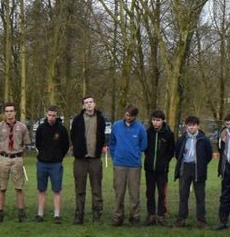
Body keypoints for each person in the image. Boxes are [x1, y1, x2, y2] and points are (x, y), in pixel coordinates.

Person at [69, 96, 109, 224]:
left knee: (96, 189)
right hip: (80, 159)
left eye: (91, 102)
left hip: (95, 159)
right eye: (86, 103)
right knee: (80, 190)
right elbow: (73, 136)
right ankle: (79, 216)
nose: (89, 104)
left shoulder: (101, 119)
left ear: (94, 103)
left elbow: (103, 136)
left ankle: (97, 217)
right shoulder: (77, 120)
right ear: (83, 106)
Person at [108, 106, 148, 227]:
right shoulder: (116, 126)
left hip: (134, 166)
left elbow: (144, 145)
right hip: (119, 164)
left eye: (130, 116)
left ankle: (135, 217)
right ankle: (117, 217)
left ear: (135, 116)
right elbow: (112, 142)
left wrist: (135, 153)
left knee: (134, 193)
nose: (127, 117)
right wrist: (115, 156)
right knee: (119, 192)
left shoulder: (140, 128)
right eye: (126, 114)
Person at [174, 115, 212, 228]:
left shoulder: (204, 139)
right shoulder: (182, 139)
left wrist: (201, 164)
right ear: (186, 126)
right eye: (189, 125)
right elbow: (177, 154)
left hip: (198, 169)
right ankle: (181, 219)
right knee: (183, 195)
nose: (191, 127)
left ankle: (201, 220)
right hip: (185, 168)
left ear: (198, 126)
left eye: (193, 125)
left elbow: (208, 155)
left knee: (200, 196)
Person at [34, 106, 69, 224]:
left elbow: (65, 146)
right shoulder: (41, 128)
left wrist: (58, 156)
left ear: (57, 116)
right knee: (41, 189)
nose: (51, 117)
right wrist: (44, 154)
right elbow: (38, 144)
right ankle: (40, 213)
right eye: (49, 115)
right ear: (46, 114)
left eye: (54, 115)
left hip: (56, 164)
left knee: (57, 190)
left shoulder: (62, 129)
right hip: (42, 163)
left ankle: (57, 215)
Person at [0, 104, 29, 223]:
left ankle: (21, 213)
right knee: (2, 187)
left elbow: (26, 143)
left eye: (11, 111)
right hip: (4, 158)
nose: (9, 113)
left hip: (17, 159)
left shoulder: (22, 126)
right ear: (4, 113)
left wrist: (19, 154)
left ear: (15, 112)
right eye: (7, 111)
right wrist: (2, 152)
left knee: (19, 187)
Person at [143, 110, 176, 227]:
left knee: (162, 193)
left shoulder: (169, 134)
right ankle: (151, 215)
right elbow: (145, 148)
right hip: (149, 169)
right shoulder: (147, 133)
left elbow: (171, 151)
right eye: (153, 120)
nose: (155, 123)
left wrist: (164, 161)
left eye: (158, 120)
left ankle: (161, 215)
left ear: (163, 121)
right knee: (150, 192)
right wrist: (148, 160)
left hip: (162, 170)